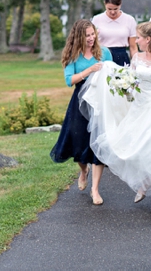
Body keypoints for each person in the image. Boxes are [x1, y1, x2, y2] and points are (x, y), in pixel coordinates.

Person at [83, 22, 151, 216]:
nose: (136, 40)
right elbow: (132, 79)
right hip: (139, 107)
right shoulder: (137, 57)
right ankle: (142, 184)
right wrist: (123, 88)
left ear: (148, 39)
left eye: (139, 37)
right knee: (135, 148)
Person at [50, 19, 112, 206]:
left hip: (100, 100)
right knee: (78, 141)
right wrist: (90, 70)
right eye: (87, 36)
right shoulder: (72, 55)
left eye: (93, 34)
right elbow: (70, 80)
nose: (91, 38)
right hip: (80, 101)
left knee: (98, 143)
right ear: (79, 37)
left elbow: (112, 76)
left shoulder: (105, 52)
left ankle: (95, 189)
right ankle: (83, 170)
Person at [92, 0, 137, 66]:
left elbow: (133, 47)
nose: (112, 12)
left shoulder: (129, 20)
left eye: (115, 9)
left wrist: (135, 64)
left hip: (122, 57)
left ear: (120, 5)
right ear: (105, 4)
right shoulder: (96, 19)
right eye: (109, 9)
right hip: (102, 57)